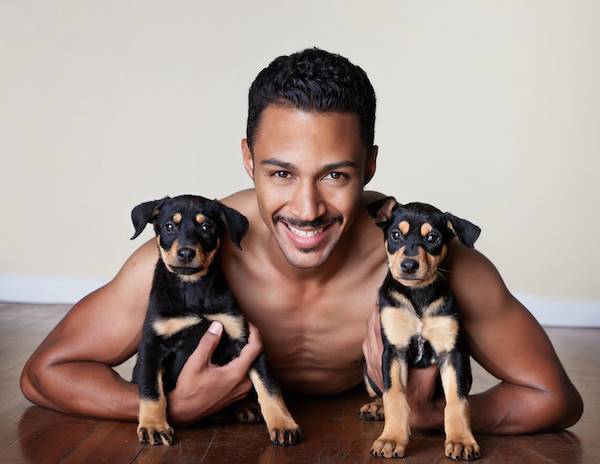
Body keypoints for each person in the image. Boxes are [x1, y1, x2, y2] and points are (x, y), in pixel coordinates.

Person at [21, 48, 582, 432]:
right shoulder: (179, 264)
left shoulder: (439, 263)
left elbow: (555, 398)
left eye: (335, 175)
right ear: (247, 159)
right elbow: (42, 374)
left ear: (369, 165)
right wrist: (168, 406)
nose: (307, 210)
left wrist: (436, 417)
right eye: (281, 173)